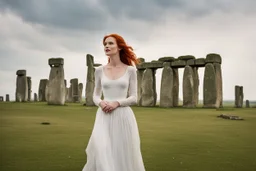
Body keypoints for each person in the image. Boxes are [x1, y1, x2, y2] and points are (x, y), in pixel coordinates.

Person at [82, 34, 146, 171]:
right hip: (103, 117)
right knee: (101, 149)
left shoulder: (130, 70)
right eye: (105, 44)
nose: (106, 46)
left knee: (123, 152)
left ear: (119, 47)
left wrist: (117, 103)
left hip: (123, 116)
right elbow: (96, 95)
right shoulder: (99, 70)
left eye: (110, 43)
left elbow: (134, 97)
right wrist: (101, 103)